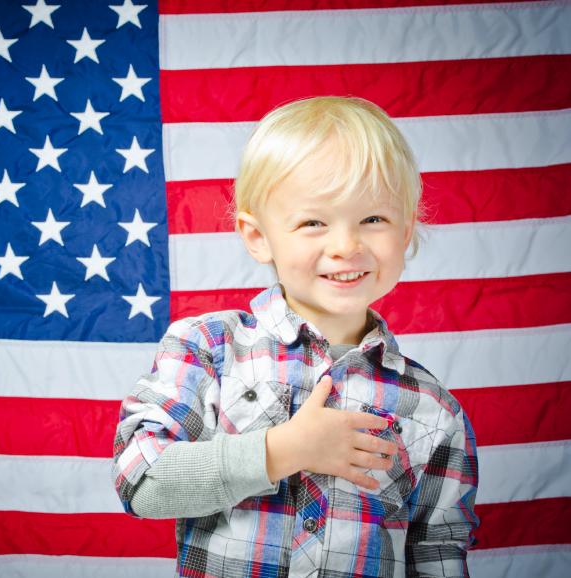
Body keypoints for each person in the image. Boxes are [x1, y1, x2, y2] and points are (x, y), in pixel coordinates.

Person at [111, 96, 479, 577]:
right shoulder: (208, 348)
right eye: (313, 222)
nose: (347, 245)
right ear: (258, 236)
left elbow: (438, 552)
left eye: (374, 219)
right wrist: (284, 450)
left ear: (406, 230)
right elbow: (141, 483)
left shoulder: (434, 408)